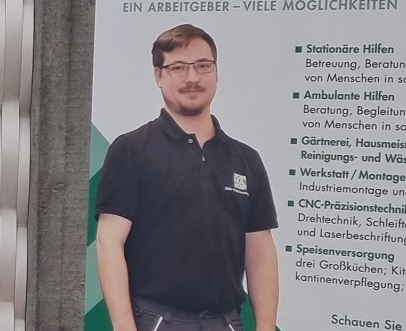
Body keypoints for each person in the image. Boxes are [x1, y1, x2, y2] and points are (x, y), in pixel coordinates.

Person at [95, 24, 278, 331]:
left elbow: (260, 251)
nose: (192, 78)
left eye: (203, 66)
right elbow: (109, 243)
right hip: (156, 321)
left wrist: (266, 326)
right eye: (178, 67)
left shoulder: (246, 159)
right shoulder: (132, 150)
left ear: (216, 72)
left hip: (226, 322)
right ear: (159, 75)